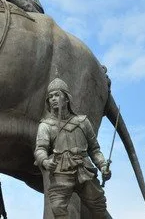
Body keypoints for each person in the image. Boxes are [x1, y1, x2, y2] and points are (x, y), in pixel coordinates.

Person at [34, 78, 111, 219]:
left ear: (67, 98)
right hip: (60, 172)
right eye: (50, 97)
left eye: (57, 95)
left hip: (84, 170)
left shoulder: (82, 122)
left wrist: (103, 165)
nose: (53, 99)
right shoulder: (45, 126)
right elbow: (40, 149)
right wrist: (45, 161)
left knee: (99, 208)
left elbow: (94, 149)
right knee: (57, 207)